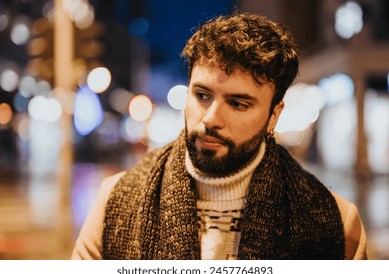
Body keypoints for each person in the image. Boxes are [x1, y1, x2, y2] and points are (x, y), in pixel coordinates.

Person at [71, 12, 367, 260]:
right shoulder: (115, 203)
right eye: (201, 95)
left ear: (273, 117)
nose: (211, 119)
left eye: (238, 103)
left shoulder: (337, 223)